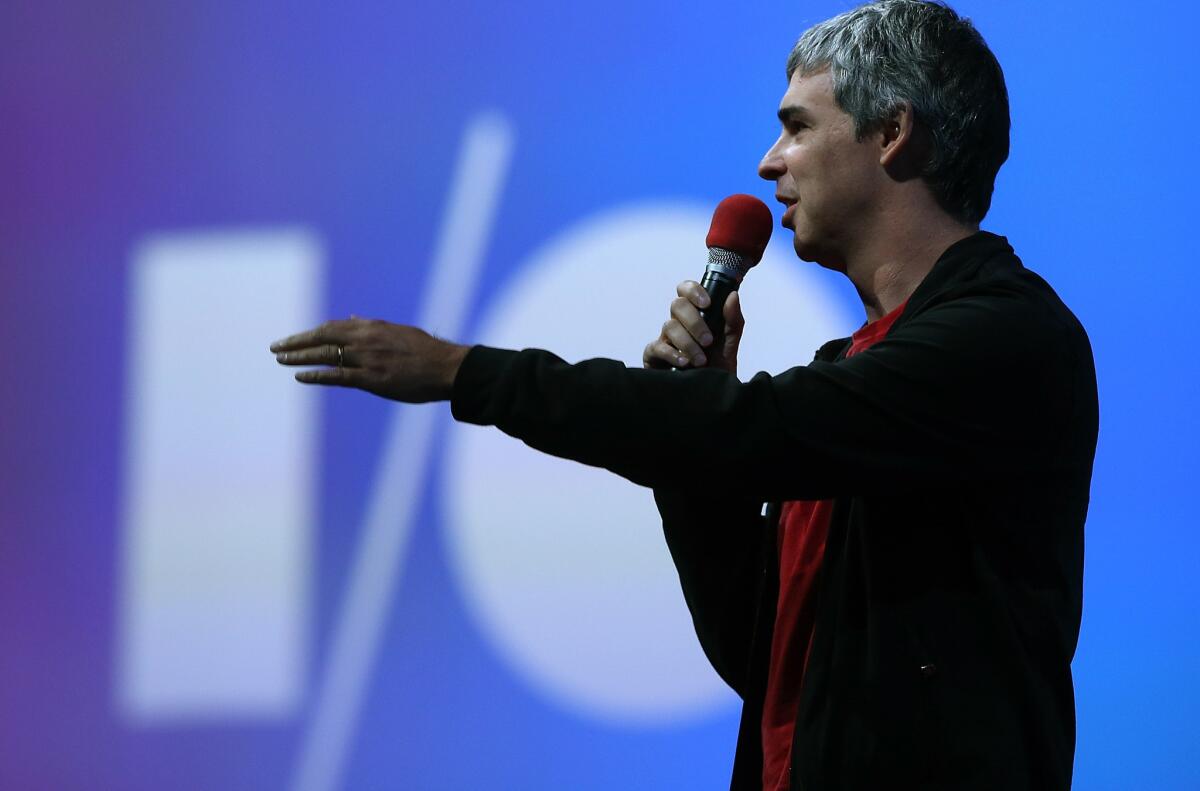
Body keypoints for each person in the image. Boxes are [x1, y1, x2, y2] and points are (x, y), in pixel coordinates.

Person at [270, 2, 1098, 788]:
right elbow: (762, 653)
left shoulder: (1003, 339)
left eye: (798, 126)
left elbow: (761, 430)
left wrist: (466, 372)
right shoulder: (856, 364)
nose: (769, 161)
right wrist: (693, 438)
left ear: (892, 133)